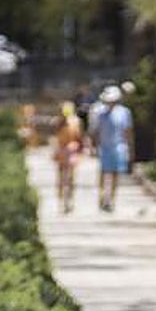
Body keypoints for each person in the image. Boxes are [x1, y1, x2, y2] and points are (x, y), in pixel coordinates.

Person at [90, 85, 133, 213]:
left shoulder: (124, 113)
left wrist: (130, 149)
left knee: (115, 174)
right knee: (104, 173)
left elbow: (128, 132)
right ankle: (102, 197)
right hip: (105, 147)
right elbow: (96, 132)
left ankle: (112, 200)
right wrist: (95, 147)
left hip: (119, 147)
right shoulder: (100, 114)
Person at [53, 104, 84, 214]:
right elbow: (56, 138)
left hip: (71, 152)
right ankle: (62, 202)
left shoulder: (75, 122)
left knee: (70, 178)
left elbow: (79, 138)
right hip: (62, 152)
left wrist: (80, 150)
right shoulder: (58, 122)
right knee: (62, 179)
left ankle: (69, 201)